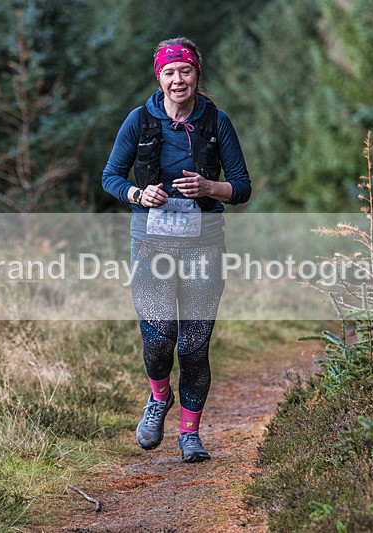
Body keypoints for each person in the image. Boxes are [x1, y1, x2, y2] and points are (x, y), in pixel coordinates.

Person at [101, 37, 251, 462]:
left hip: (204, 243)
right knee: (158, 340)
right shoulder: (139, 121)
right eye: (169, 72)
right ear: (159, 78)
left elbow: (241, 187)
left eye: (185, 70)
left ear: (196, 73)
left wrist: (208, 187)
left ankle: (189, 434)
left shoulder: (217, 122)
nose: (178, 79)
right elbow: (111, 176)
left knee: (193, 346)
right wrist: (136, 194)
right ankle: (158, 398)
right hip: (150, 244)